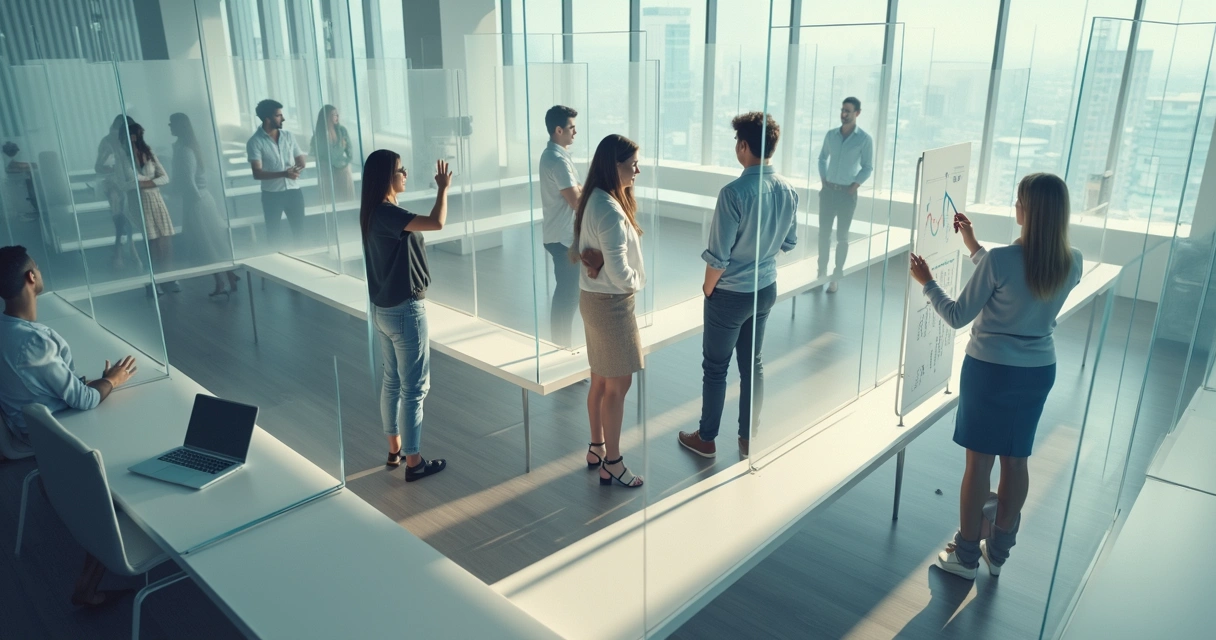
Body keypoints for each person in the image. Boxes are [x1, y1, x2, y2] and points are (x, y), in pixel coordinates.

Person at [908, 173, 1083, 581]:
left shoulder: (1000, 260)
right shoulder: (1071, 260)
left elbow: (955, 316)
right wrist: (974, 248)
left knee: (978, 464)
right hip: (1038, 372)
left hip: (990, 372)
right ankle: (998, 553)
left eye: (1019, 200)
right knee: (1016, 460)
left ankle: (966, 557)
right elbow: (1019, 283)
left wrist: (928, 283)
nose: (1015, 206)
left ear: (1028, 211)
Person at [678, 112, 799, 459]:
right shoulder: (789, 190)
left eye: (736, 142)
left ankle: (706, 439)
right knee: (753, 364)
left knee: (716, 368)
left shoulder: (733, 193)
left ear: (744, 146)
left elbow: (718, 257)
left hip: (730, 293)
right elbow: (789, 243)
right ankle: (749, 437)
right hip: (766, 288)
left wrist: (707, 289)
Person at [360, 149, 451, 482]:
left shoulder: (374, 212)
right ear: (388, 177)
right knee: (414, 390)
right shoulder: (387, 214)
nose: (406, 174)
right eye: (401, 170)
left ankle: (394, 449)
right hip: (405, 310)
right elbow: (437, 222)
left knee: (392, 382)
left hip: (383, 310)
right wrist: (442, 189)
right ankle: (414, 463)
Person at [574, 134, 645, 488]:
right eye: (632, 163)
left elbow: (592, 254)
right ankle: (612, 463)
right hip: (612, 306)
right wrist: (636, 282)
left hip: (592, 300)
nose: (637, 169)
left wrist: (603, 265)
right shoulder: (610, 211)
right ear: (612, 165)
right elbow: (619, 273)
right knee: (619, 382)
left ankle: (596, 448)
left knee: (601, 378)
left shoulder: (596, 200)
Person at [169, 113, 240, 298]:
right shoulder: (186, 147)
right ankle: (228, 278)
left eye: (172, 124)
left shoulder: (185, 150)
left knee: (206, 244)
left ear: (179, 126)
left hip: (197, 202)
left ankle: (221, 281)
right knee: (211, 242)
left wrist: (191, 199)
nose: (169, 127)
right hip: (199, 200)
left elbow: (188, 180)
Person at [816, 97, 873, 293]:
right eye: (842, 110)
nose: (844, 114)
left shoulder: (864, 139)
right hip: (828, 191)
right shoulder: (831, 135)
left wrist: (854, 186)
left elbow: (867, 167)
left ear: (857, 113)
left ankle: (835, 277)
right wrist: (823, 179)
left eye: (848, 111)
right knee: (823, 234)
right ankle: (820, 273)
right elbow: (822, 158)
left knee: (842, 237)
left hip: (847, 195)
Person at [538, 105, 582, 347]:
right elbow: (576, 200)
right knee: (567, 297)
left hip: (562, 237)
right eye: (571, 128)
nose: (575, 133)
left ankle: (561, 348)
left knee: (568, 295)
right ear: (558, 130)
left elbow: (577, 191)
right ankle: (561, 350)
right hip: (563, 240)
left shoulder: (557, 157)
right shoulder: (557, 160)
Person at [120, 121, 180, 295]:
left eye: (136, 136)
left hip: (156, 199)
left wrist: (145, 183)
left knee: (165, 238)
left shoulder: (149, 152)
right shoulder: (122, 158)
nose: (133, 139)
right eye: (130, 136)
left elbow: (165, 178)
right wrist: (147, 184)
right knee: (152, 240)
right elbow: (123, 184)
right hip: (138, 202)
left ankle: (167, 278)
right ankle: (152, 282)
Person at [247, 99, 306, 249]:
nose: (283, 118)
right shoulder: (255, 142)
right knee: (273, 234)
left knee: (300, 232)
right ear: (268, 119)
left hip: (294, 191)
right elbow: (257, 173)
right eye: (279, 115)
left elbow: (301, 161)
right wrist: (284, 174)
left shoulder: (288, 136)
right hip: (272, 195)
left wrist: (294, 171)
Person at [94, 115, 140, 270]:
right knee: (120, 216)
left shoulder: (132, 140)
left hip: (131, 182)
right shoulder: (107, 142)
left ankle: (125, 249)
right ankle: (125, 251)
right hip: (114, 184)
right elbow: (98, 167)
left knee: (130, 215)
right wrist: (110, 166)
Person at [311, 105, 356, 205]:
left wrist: (346, 162)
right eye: (334, 115)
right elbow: (320, 154)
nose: (337, 117)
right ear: (326, 117)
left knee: (346, 197)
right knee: (329, 198)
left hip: (343, 169)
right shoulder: (319, 135)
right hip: (327, 170)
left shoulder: (342, 130)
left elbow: (350, 150)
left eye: (337, 114)